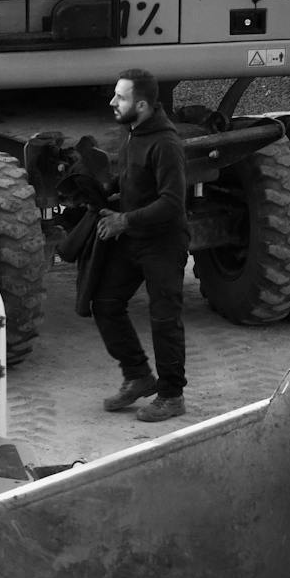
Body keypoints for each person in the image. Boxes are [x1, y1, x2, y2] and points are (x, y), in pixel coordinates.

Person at [93, 68, 189, 422]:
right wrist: (111, 192)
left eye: (121, 97)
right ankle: (137, 376)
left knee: (164, 318)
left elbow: (171, 203)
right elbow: (134, 177)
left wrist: (125, 220)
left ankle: (171, 395)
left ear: (144, 105)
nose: (112, 102)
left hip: (163, 242)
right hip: (134, 237)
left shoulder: (166, 144)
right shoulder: (132, 132)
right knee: (104, 301)